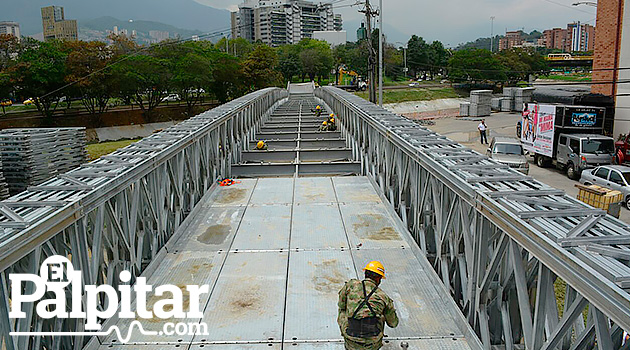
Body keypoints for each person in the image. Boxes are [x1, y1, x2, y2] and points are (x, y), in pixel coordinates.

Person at [337, 261, 399, 350]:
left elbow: (341, 305)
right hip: (372, 344)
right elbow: (393, 324)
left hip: (351, 340)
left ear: (365, 273)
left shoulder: (351, 285)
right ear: (378, 279)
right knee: (381, 315)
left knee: (343, 311)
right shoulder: (383, 297)